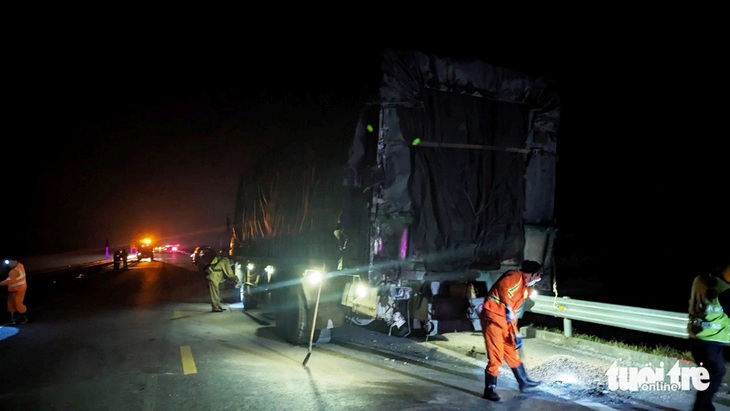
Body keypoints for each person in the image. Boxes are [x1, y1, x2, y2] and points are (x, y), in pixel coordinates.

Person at [479, 260, 543, 401]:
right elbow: (503, 288)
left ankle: (524, 382)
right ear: (531, 275)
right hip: (493, 318)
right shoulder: (514, 276)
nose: (537, 280)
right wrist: (507, 306)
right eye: (537, 276)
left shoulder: (524, 290)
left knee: (511, 350)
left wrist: (516, 333)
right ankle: (489, 390)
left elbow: (512, 313)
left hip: (504, 321)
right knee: (496, 355)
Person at [687, 261, 730, 411]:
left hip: (696, 337)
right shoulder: (724, 290)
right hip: (712, 339)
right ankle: (702, 407)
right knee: (716, 371)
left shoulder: (701, 280)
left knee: (710, 373)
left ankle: (703, 406)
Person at [0, 259, 28, 325]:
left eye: (9, 262)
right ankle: (12, 320)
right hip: (14, 289)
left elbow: (9, 281)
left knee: (17, 303)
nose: (8, 264)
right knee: (10, 304)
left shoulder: (14, 271)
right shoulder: (20, 265)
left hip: (18, 289)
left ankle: (24, 318)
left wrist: (0, 283)